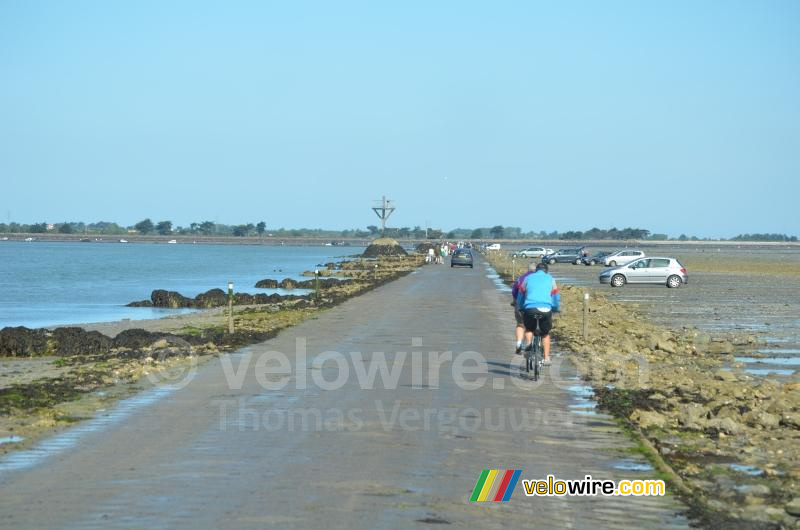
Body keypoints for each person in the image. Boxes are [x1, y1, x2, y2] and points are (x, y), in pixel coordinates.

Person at [516, 262, 560, 364]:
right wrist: (555, 308)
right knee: (545, 333)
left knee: (529, 329)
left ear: (536, 270)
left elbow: (520, 294)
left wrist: (521, 307)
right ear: (546, 271)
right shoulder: (551, 279)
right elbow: (555, 296)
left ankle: (528, 345)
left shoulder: (528, 278)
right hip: (545, 309)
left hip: (530, 308)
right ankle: (546, 358)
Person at [511, 263, 535, 354]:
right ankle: (529, 343)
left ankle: (519, 343)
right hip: (535, 306)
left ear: (528, 269)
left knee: (520, 324)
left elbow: (514, 292)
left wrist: (514, 301)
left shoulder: (521, 278)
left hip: (521, 305)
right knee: (531, 326)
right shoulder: (539, 279)